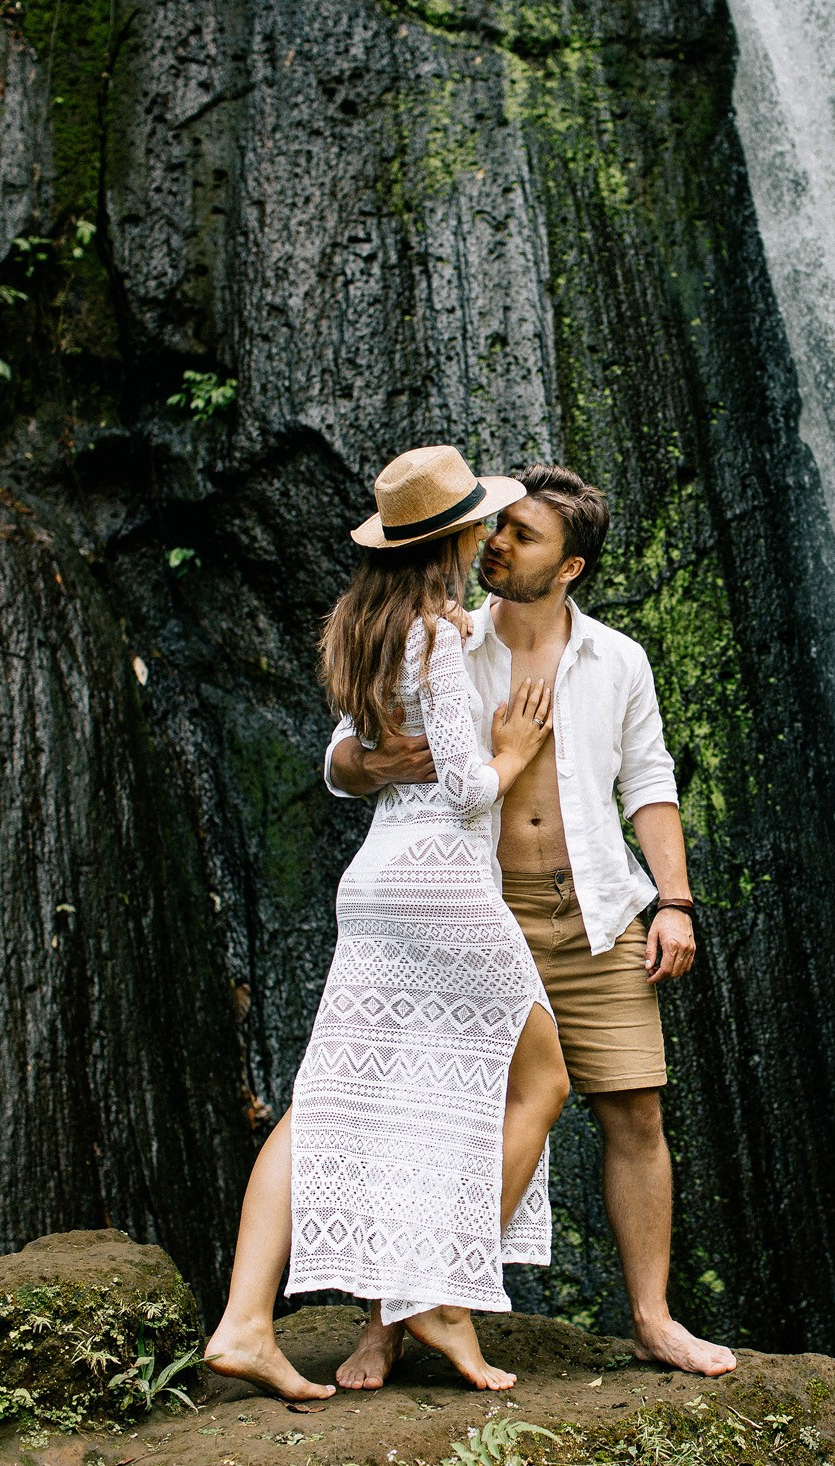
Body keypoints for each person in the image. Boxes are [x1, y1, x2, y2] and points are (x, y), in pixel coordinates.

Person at [327, 465, 737, 1381]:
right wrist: (380, 763)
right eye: (498, 528)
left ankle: (653, 1319)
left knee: (634, 1113)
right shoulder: (450, 640)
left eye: (522, 535)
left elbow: (652, 782)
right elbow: (345, 755)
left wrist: (673, 902)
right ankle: (384, 1323)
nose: (496, 545)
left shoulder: (619, 660)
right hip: (477, 913)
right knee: (430, 1113)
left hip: (598, 916)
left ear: (572, 568)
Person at [204, 445, 569, 1399]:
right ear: (450, 537)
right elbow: (462, 788)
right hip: (440, 884)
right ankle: (438, 1292)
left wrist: (378, 763)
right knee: (542, 1076)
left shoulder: (358, 627)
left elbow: (350, 754)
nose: (488, 537)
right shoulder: (440, 637)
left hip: (371, 882)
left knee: (324, 1102)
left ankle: (245, 1320)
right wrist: (515, 750)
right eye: (477, 525)